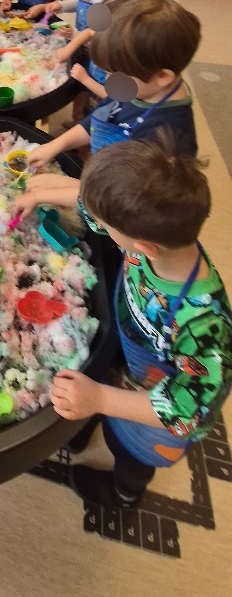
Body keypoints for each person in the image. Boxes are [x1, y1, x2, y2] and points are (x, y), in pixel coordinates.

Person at [50, 137, 232, 508]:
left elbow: (187, 411)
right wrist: (41, 193)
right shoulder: (150, 241)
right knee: (97, 392)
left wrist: (100, 399)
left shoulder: (204, 324)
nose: (101, 225)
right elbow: (98, 214)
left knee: (128, 452)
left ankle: (124, 493)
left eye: (106, 224)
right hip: (131, 362)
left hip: (155, 417)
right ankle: (90, 417)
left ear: (144, 245)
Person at [12, 0, 201, 219]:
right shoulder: (141, 88)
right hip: (99, 183)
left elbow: (124, 200)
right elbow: (102, 118)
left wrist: (45, 195)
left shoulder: (169, 137)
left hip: (118, 213)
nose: (109, 81)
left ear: (162, 76)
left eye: (115, 74)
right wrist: (55, 145)